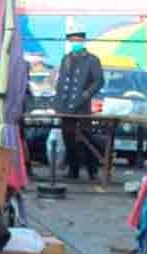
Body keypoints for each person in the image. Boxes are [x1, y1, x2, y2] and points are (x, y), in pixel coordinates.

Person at [54, 30, 104, 180]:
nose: (75, 43)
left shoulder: (92, 60)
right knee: (68, 137)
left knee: (86, 138)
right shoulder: (66, 59)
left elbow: (99, 81)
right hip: (65, 106)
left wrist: (87, 94)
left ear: (83, 42)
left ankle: (92, 169)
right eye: (73, 41)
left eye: (78, 41)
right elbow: (62, 81)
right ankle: (73, 169)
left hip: (82, 106)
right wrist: (57, 102)